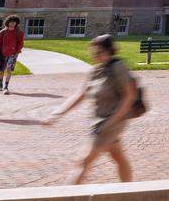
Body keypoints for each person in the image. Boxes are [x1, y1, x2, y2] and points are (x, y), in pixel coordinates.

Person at [42, 33, 140, 184]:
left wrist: (112, 121)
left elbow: (129, 95)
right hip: (100, 121)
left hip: (111, 123)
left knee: (82, 162)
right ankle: (128, 190)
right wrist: (59, 112)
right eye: (93, 52)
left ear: (109, 52)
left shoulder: (118, 68)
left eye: (98, 53)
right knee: (118, 156)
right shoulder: (95, 70)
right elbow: (81, 93)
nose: (94, 56)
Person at [0, 15, 25, 94]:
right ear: (8, 22)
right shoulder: (2, 32)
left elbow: (21, 43)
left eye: (14, 22)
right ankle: (0, 84)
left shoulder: (19, 32)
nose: (12, 24)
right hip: (2, 54)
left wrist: (17, 51)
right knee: (2, 70)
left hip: (13, 54)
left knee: (9, 70)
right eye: (11, 22)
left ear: (16, 23)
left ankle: (6, 86)